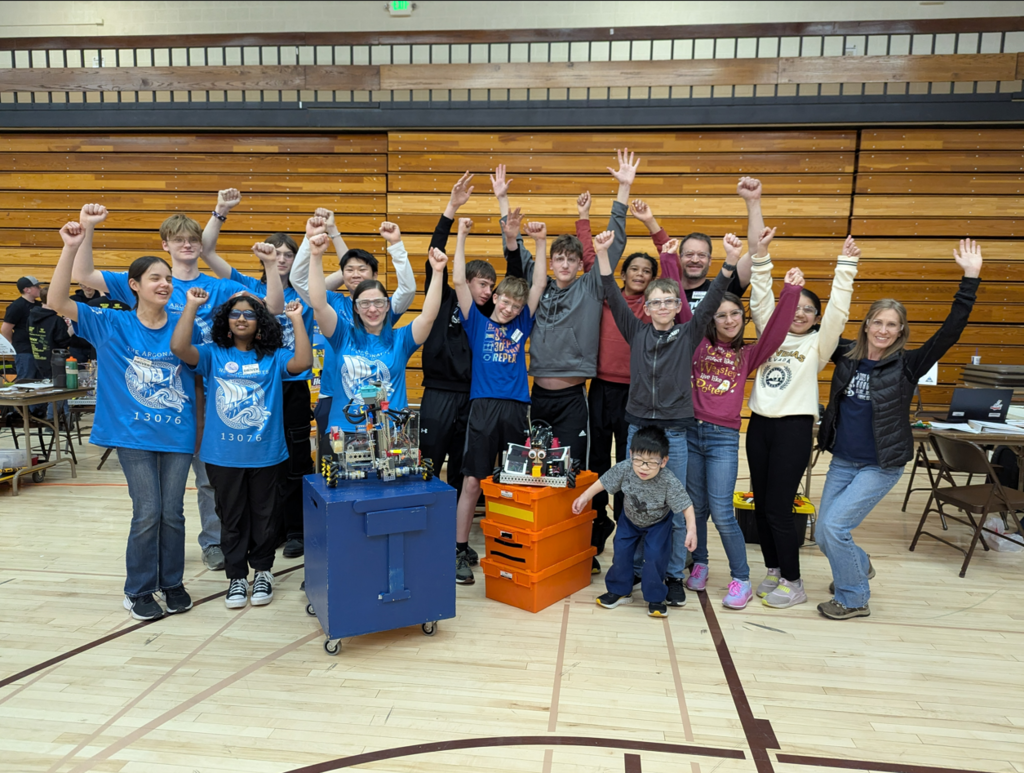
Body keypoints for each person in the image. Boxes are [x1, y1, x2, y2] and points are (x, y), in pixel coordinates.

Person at [71, 203, 281, 573]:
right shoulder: (154, 279)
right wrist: (87, 229)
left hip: (214, 389)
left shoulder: (221, 286)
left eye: (193, 239)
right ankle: (189, 553)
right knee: (161, 501)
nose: (186, 245)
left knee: (209, 477)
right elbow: (82, 273)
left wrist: (267, 267)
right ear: (165, 244)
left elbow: (272, 307)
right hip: (173, 389)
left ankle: (215, 541)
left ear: (202, 245)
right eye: (178, 239)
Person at [814, 239, 983, 620]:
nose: (884, 330)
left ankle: (854, 597)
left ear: (901, 330)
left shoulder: (908, 364)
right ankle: (858, 564)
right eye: (878, 322)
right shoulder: (845, 355)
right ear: (867, 324)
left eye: (892, 325)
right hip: (843, 460)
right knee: (825, 535)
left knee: (836, 528)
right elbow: (820, 328)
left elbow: (950, 332)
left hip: (880, 464)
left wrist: (970, 279)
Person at [48, 220, 197, 622]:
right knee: (148, 510)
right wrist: (70, 247)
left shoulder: (185, 326)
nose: (165, 283)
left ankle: (172, 583)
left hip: (178, 433)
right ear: (133, 284)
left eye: (168, 278)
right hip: (132, 434)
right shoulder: (111, 323)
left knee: (173, 513)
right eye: (155, 278)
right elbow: (57, 299)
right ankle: (139, 590)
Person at [501, 149, 639, 573]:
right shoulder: (537, 287)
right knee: (537, 472)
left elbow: (611, 245)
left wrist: (623, 188)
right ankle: (545, 538)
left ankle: (585, 541)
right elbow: (513, 246)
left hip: (573, 399)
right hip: (536, 397)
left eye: (569, 259)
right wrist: (504, 205)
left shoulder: (590, 288)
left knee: (575, 473)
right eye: (557, 258)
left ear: (580, 264)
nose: (562, 263)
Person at [598, 227, 741, 607]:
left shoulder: (689, 332)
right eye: (655, 302)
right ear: (646, 306)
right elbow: (610, 291)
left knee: (676, 508)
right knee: (636, 503)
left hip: (675, 432)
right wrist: (600, 254)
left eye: (668, 301)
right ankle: (636, 570)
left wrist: (728, 263)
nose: (662, 307)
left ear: (678, 306)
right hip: (639, 428)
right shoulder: (636, 330)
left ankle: (673, 574)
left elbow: (710, 302)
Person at [171, 281, 312, 609]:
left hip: (267, 454)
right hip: (222, 455)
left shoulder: (274, 358)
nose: (242, 319)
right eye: (235, 314)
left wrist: (297, 319)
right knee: (231, 517)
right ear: (226, 320)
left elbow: (303, 362)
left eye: (250, 314)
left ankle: (262, 571)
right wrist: (191, 306)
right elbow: (180, 348)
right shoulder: (212, 354)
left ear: (260, 321)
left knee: (265, 515)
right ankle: (236, 576)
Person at [684, 226, 802, 609]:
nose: (730, 319)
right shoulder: (698, 344)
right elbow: (689, 310)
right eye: (722, 314)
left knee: (721, 511)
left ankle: (741, 578)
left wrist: (791, 294)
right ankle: (700, 563)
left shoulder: (748, 354)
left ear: (743, 319)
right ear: (712, 319)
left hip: (721, 439)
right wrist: (670, 257)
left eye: (736, 314)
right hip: (690, 433)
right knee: (696, 508)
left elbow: (779, 332)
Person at [200, 188, 318, 558]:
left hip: (291, 385)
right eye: (277, 253)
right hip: (251, 387)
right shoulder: (247, 288)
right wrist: (220, 211)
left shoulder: (307, 290)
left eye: (288, 254)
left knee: (296, 462)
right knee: (258, 464)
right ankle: (270, 531)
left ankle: (297, 529)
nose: (282, 259)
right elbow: (206, 252)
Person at [745, 235, 861, 609]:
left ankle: (794, 583)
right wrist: (762, 258)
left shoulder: (818, 344)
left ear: (816, 317)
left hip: (793, 429)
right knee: (761, 506)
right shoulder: (770, 336)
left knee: (779, 507)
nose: (801, 313)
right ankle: (775, 570)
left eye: (810, 310)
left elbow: (839, 315)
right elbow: (761, 298)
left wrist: (845, 267)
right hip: (759, 426)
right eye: (797, 306)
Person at [419, 170, 523, 545]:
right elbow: (437, 254)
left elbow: (518, 277)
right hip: (440, 392)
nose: (488, 291)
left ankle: (453, 535)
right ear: (469, 280)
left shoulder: (493, 317)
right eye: (483, 283)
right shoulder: (450, 298)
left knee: (465, 469)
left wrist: (504, 210)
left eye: (491, 287)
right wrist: (451, 210)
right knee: (430, 460)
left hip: (477, 398)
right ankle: (425, 526)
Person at [452, 215, 548, 585]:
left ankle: (513, 546)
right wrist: (462, 234)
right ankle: (460, 550)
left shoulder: (523, 322)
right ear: (495, 297)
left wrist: (539, 242)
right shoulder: (476, 321)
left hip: (516, 409)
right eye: (504, 301)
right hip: (483, 407)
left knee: (515, 482)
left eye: (514, 304)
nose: (508, 308)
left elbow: (539, 282)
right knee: (473, 481)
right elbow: (459, 280)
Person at [575, 192, 661, 555]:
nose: (640, 275)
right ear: (622, 273)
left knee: (630, 466)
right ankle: (595, 533)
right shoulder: (607, 294)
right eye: (635, 269)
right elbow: (593, 257)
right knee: (596, 464)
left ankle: (630, 535)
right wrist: (583, 217)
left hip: (635, 396)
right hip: (600, 390)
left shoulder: (653, 306)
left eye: (646, 271)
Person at [288, 207, 416, 444]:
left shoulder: (381, 308)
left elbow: (408, 289)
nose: (356, 274)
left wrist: (396, 248)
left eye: (363, 269)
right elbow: (298, 281)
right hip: (333, 395)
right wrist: (311, 242)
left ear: (375, 275)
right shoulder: (332, 301)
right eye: (349, 270)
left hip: (378, 400)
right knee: (333, 463)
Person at [306, 227, 447, 435]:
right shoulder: (342, 336)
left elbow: (428, 316)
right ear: (356, 308)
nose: (372, 309)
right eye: (365, 304)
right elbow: (318, 303)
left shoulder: (402, 340)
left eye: (379, 303)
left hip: (392, 434)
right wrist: (316, 256)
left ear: (388, 306)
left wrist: (437, 272)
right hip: (343, 432)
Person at [572, 425, 696, 618]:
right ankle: (620, 590)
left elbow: (686, 505)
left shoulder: (669, 481)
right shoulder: (625, 468)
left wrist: (691, 531)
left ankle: (655, 598)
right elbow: (603, 482)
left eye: (651, 463)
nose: (643, 468)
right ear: (630, 454)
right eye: (638, 460)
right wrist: (584, 497)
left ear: (663, 461)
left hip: (658, 523)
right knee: (620, 552)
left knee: (655, 557)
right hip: (629, 520)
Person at [28, 286, 73, 380]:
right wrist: (71, 330)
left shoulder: (31, 317)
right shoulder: (56, 320)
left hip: (38, 360)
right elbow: (63, 342)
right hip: (56, 362)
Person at [2, 276, 42, 380]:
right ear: (26, 289)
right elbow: (6, 329)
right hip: (24, 349)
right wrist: (12, 344)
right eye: (36, 286)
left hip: (38, 349)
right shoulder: (16, 306)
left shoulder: (39, 305)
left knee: (39, 379)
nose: (40, 288)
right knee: (26, 379)